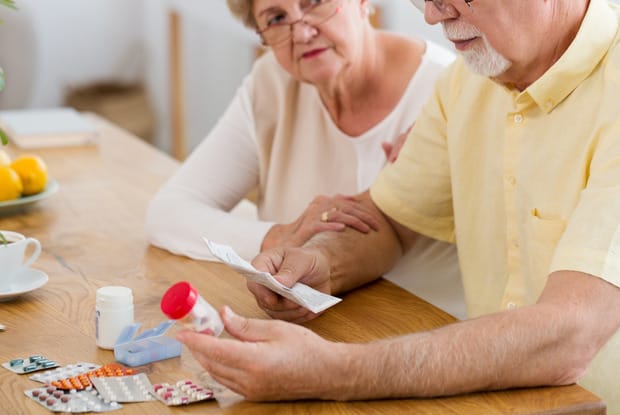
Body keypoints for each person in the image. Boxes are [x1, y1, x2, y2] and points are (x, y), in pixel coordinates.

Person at [175, 0, 620, 412]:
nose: (430, 15)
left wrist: (333, 370)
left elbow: (570, 333)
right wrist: (320, 264)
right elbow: (390, 219)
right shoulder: (465, 83)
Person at [146, 0, 465, 317]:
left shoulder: (446, 90)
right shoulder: (272, 83)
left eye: (313, 3)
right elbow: (168, 213)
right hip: (312, 333)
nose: (301, 32)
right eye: (277, 18)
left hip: (422, 334)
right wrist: (277, 236)